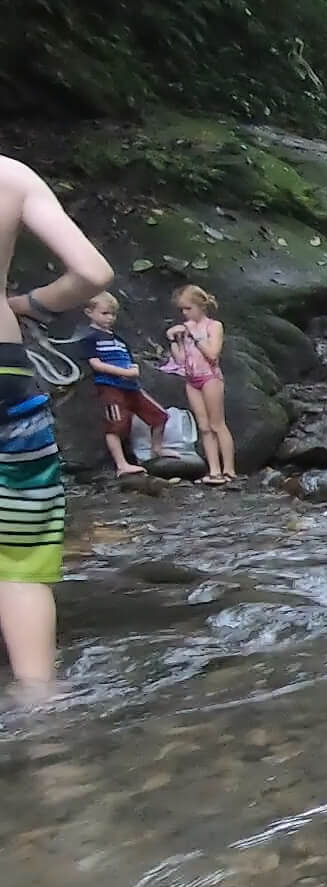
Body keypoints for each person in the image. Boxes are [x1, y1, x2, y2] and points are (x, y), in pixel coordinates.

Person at [1, 155, 114, 703]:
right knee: (19, 562)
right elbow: (92, 274)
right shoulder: (11, 177)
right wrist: (24, 304)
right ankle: (40, 707)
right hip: (6, 376)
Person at [79, 292, 174, 476]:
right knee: (116, 425)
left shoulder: (119, 340)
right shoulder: (90, 338)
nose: (109, 318)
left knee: (159, 415)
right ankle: (121, 464)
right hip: (110, 386)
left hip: (131, 386)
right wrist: (124, 372)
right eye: (105, 313)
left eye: (113, 314)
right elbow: (95, 364)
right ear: (89, 312)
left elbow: (129, 360)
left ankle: (157, 449)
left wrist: (133, 369)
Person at [165, 284, 235, 485]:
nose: (185, 313)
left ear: (200, 306)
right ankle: (214, 470)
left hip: (210, 377)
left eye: (188, 308)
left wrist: (196, 335)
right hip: (191, 379)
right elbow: (180, 360)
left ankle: (228, 469)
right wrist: (174, 341)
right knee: (204, 427)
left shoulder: (213, 326)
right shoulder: (185, 330)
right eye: (182, 310)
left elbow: (213, 354)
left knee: (217, 424)